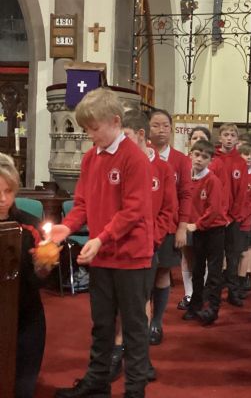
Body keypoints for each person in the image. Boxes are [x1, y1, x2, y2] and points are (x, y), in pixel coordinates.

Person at [52, 88, 154, 398]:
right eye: (86, 129)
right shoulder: (90, 158)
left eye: (94, 128)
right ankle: (97, 381)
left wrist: (101, 238)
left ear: (115, 121)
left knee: (134, 328)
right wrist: (67, 227)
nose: (90, 135)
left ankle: (134, 390)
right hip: (102, 253)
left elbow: (133, 210)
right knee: (102, 324)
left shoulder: (134, 158)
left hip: (131, 256)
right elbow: (82, 203)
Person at [109, 109, 177, 382]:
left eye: (125, 137)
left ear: (140, 135)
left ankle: (138, 355)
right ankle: (117, 349)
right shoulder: (120, 163)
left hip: (148, 245)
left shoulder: (162, 168)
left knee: (141, 302)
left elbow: (168, 210)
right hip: (120, 242)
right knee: (119, 300)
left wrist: (152, 238)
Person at [0, 153, 49, 398]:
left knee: (21, 390)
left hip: (25, 318)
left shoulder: (30, 226)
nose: (2, 199)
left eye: (8, 191)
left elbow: (38, 280)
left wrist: (43, 267)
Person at [148, 109, 192, 345]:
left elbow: (185, 194)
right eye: (156, 125)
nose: (161, 130)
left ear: (171, 129)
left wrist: (182, 226)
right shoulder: (140, 156)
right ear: (147, 129)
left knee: (162, 271)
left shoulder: (180, 160)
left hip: (169, 225)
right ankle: (142, 320)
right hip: (145, 225)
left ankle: (156, 322)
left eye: (165, 125)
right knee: (143, 276)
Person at [177, 126, 229, 311]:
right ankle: (194, 304)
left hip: (212, 229)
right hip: (195, 228)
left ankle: (210, 308)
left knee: (213, 270)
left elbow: (214, 209)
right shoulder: (187, 178)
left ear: (210, 160)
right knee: (196, 268)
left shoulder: (212, 180)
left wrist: (197, 225)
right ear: (190, 154)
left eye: (204, 157)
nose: (199, 159)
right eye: (197, 155)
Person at [215, 123, 248, 307]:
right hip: (215, 217)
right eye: (226, 134)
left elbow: (241, 192)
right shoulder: (213, 159)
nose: (229, 138)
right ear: (220, 137)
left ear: (237, 139)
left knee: (233, 256)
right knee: (215, 257)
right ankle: (213, 292)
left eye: (232, 135)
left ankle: (233, 292)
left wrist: (232, 216)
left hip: (233, 218)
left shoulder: (240, 162)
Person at [237, 142, 251, 295]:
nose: (249, 157)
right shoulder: (236, 173)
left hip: (250, 218)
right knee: (233, 252)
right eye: (246, 154)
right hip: (234, 217)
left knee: (245, 251)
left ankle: (242, 280)